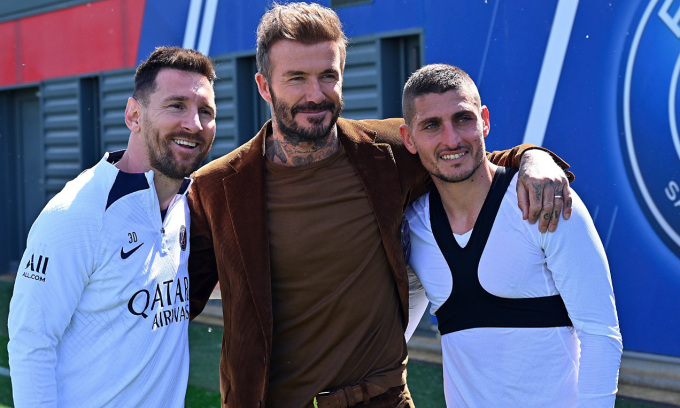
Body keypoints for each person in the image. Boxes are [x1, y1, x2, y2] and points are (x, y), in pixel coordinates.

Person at [187, 3, 573, 407]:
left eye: (328, 76)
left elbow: (465, 158)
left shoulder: (387, 153)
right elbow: (174, 300)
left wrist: (533, 157)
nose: (315, 94)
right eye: (296, 78)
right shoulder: (217, 188)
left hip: (381, 399)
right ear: (265, 86)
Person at [400, 64, 622, 407]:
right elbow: (396, 331)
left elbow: (600, 334)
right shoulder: (415, 227)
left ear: (484, 120)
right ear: (408, 139)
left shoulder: (545, 200)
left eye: (463, 119)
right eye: (432, 125)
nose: (452, 139)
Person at [8, 46, 217, 407]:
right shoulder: (74, 214)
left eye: (206, 111)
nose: (194, 124)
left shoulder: (192, 204)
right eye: (176, 105)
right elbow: (31, 343)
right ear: (134, 115)